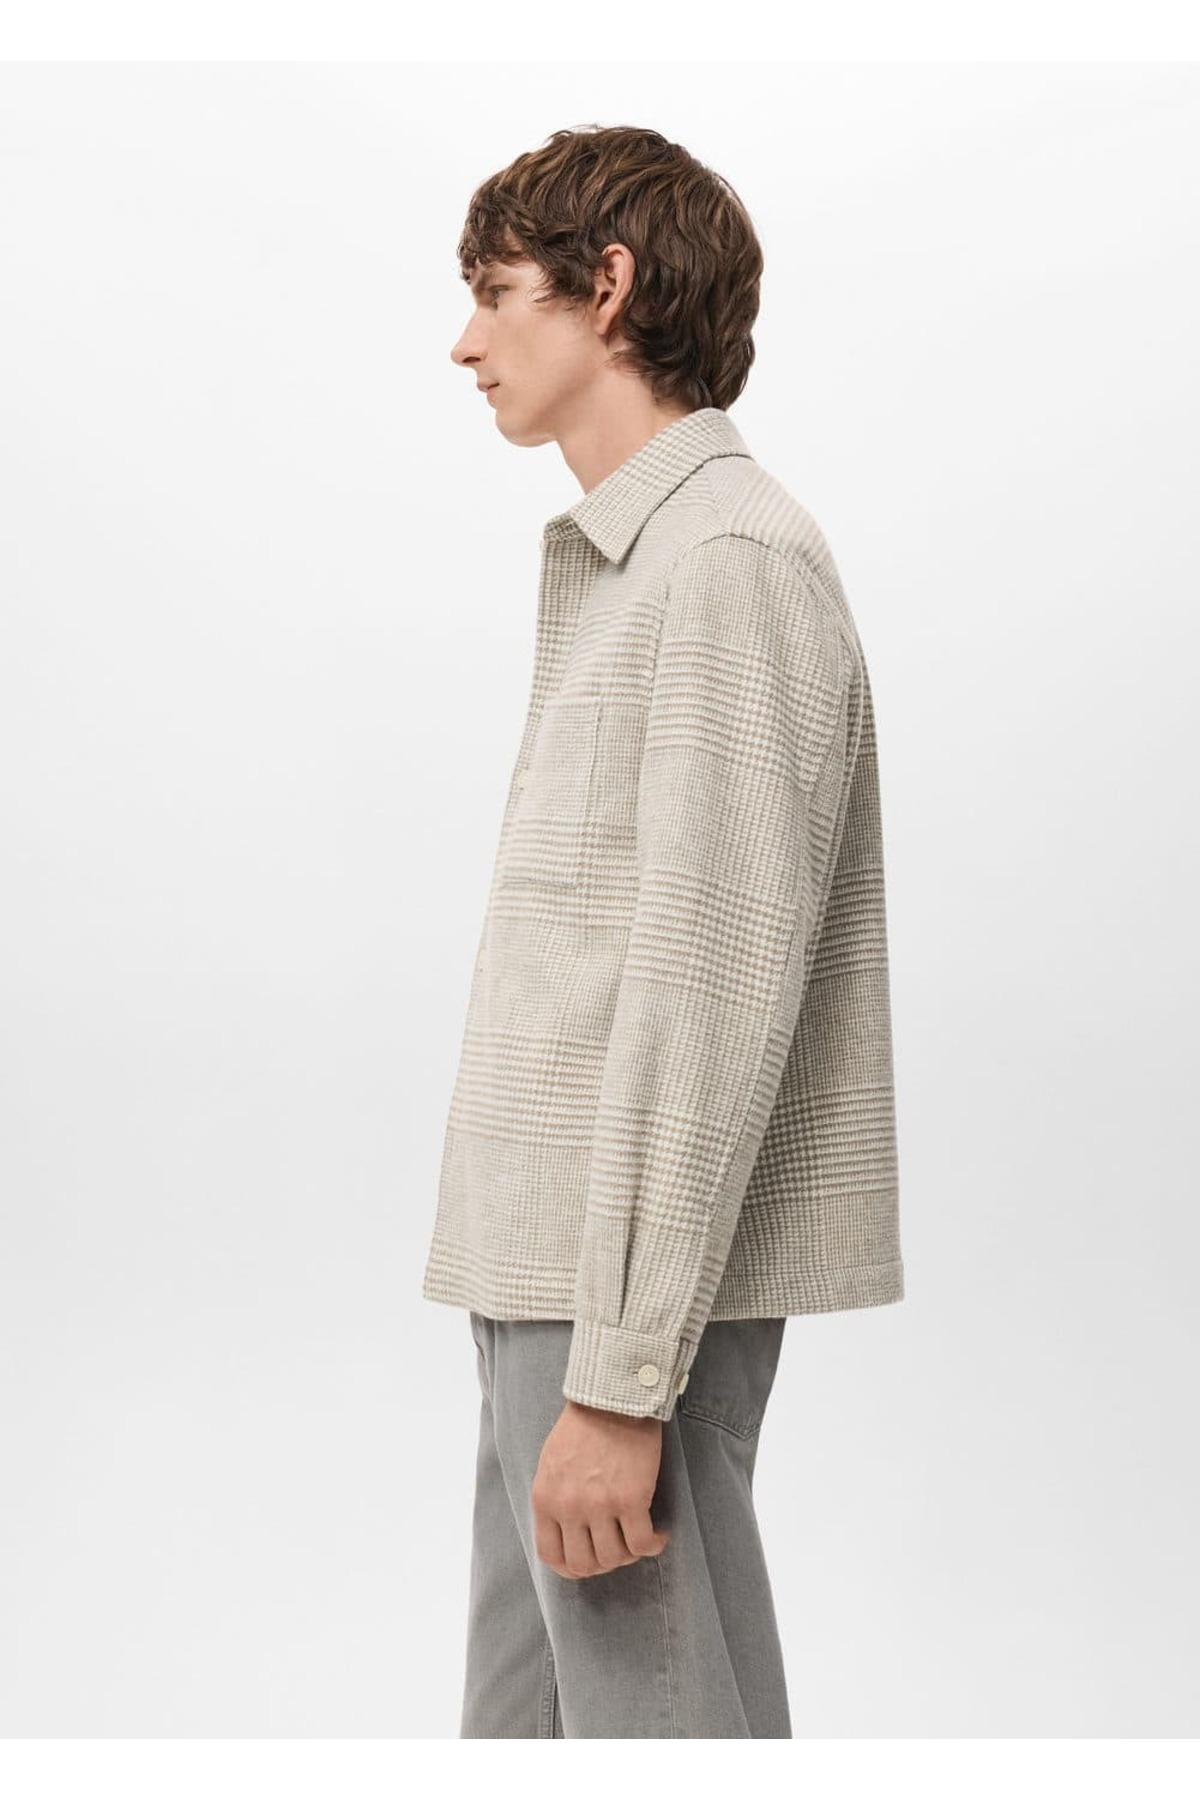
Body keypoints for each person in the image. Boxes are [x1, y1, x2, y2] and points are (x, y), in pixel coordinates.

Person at [421, 123, 905, 1739]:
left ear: (609, 288)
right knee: (529, 1738)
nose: (466, 341)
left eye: (497, 292)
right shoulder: (641, 568)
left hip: (617, 1307)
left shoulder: (727, 567)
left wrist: (622, 1380)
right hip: (550, 1277)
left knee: (660, 1734)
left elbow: (710, 999)